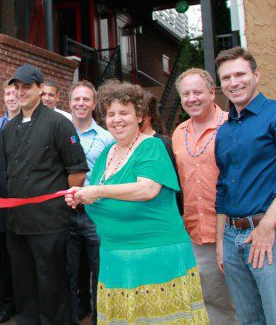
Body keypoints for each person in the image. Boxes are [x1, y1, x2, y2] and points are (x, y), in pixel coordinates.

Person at [65, 81, 208, 324]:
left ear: (139, 115)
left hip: (154, 256)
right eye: (110, 114)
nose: (116, 119)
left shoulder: (150, 146)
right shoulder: (107, 153)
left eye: (124, 112)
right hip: (115, 257)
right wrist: (81, 194)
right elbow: (99, 192)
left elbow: (147, 189)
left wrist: (98, 190)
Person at [0, 64, 88, 324]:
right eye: (17, 88)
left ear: (40, 88)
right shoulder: (8, 128)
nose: (21, 92)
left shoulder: (59, 124)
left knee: (52, 284)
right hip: (17, 223)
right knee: (23, 284)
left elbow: (77, 172)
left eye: (26, 87)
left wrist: (63, 204)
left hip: (49, 223)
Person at [214, 47, 276, 324]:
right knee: (249, 319)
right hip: (232, 238)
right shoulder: (225, 129)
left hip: (272, 234)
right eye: (226, 77)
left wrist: (267, 227)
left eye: (240, 74)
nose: (234, 82)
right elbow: (223, 187)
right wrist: (220, 242)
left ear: (256, 75)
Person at [172, 68, 237, 324]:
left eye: (198, 92)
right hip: (197, 232)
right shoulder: (179, 133)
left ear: (212, 93)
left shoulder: (232, 126)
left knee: (242, 299)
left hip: (231, 230)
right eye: (186, 94)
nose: (192, 98)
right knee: (211, 299)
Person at [67, 80, 114, 325]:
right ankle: (75, 314)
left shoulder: (107, 138)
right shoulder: (61, 133)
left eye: (86, 99)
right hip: (67, 211)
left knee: (99, 270)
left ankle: (99, 318)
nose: (81, 103)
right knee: (70, 270)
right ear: (70, 103)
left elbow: (112, 174)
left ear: (94, 104)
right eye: (77, 99)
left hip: (96, 213)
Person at [0, 80, 20, 323]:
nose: (11, 97)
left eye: (15, 93)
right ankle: (6, 300)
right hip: (2, 192)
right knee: (4, 252)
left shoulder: (35, 123)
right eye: (7, 93)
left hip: (27, 195)